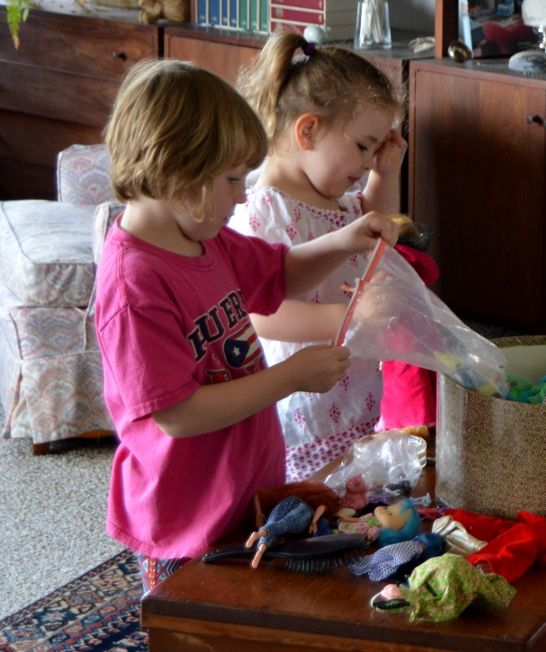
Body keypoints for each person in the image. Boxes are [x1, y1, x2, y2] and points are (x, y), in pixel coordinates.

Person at [94, 59, 398, 593]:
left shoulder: (205, 237)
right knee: (198, 625)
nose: (242, 195)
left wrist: (344, 239)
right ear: (175, 170)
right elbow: (178, 415)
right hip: (186, 515)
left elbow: (277, 272)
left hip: (242, 486)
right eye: (232, 179)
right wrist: (291, 377)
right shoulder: (133, 283)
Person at [230, 32, 411, 482]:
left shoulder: (337, 198)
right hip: (302, 408)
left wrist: (386, 174)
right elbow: (261, 316)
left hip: (351, 396)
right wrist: (348, 316)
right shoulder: (264, 209)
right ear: (307, 130)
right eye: (362, 145)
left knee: (351, 504)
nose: (368, 162)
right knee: (306, 509)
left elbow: (376, 232)